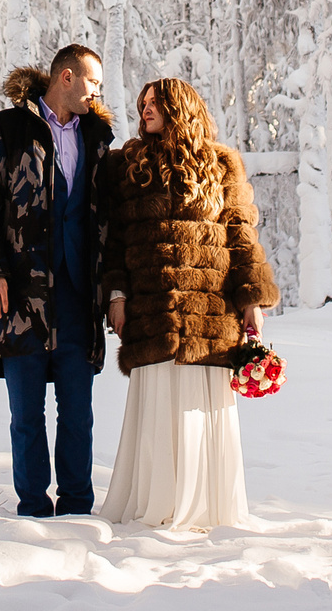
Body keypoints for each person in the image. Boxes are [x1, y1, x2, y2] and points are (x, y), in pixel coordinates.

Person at [98, 76, 278, 531]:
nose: (146, 112)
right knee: (157, 404)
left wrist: (251, 301)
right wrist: (116, 296)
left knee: (201, 409)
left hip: (209, 311)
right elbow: (113, 242)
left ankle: (206, 508)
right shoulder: (129, 164)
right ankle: (156, 504)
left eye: (155, 103)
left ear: (180, 107)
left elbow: (241, 235)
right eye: (142, 105)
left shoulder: (221, 164)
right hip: (153, 307)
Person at [0, 44, 111, 517]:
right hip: (20, 295)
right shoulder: (4, 129)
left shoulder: (98, 137)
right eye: (93, 82)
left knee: (77, 413)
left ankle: (76, 507)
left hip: (77, 295)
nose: (98, 92)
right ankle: (31, 509)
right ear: (66, 77)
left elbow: (107, 217)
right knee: (26, 415)